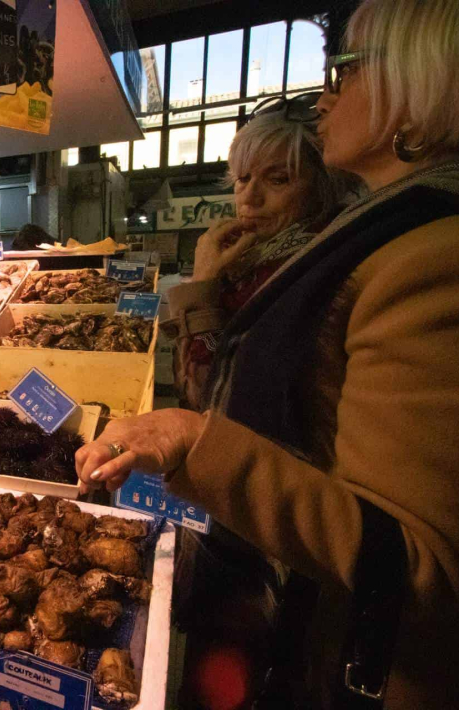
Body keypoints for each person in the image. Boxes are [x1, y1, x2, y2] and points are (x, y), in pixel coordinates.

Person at [78, 0, 459, 707]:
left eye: (347, 66)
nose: (327, 92)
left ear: (421, 86)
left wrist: (195, 440)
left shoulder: (432, 257)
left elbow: (416, 566)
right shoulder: (365, 237)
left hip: (315, 657)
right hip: (260, 603)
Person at [164, 103, 343, 410]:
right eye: (243, 178)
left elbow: (216, 395)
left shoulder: (308, 272)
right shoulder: (246, 261)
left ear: (322, 186)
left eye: (278, 180)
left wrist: (201, 285)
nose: (249, 197)